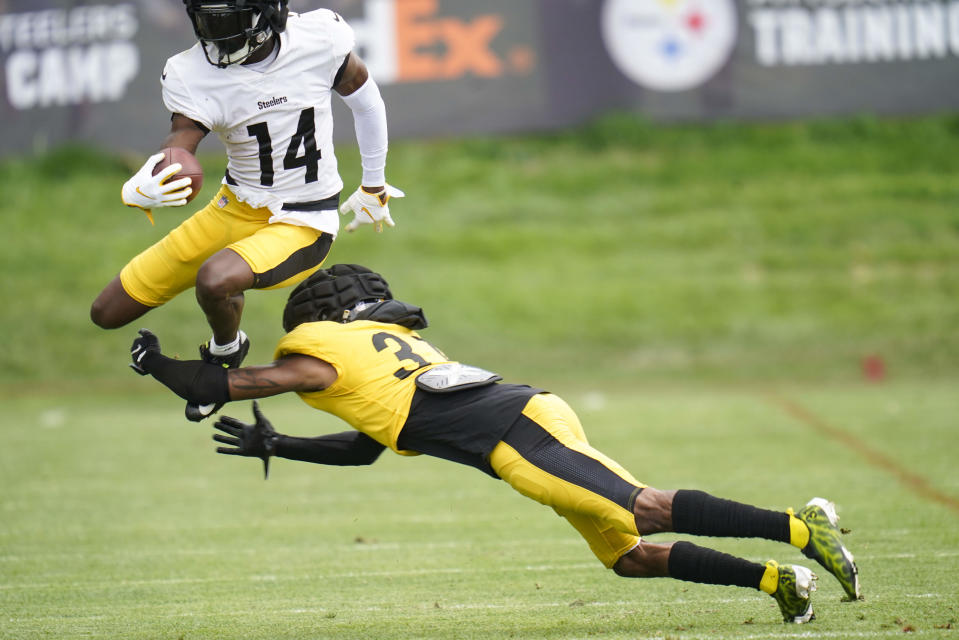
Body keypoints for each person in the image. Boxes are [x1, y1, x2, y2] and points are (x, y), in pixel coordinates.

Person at [128, 264, 862, 624]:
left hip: (514, 435)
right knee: (629, 558)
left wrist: (157, 363)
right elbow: (362, 449)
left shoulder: (321, 352)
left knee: (644, 509)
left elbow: (223, 385)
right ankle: (777, 582)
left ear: (318, 317)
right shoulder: (378, 354)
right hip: (525, 421)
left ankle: (802, 528)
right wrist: (280, 444)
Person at [91, 0, 402, 422]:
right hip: (233, 207)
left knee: (215, 280)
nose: (216, 33)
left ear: (268, 12)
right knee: (107, 313)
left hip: (303, 219)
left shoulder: (319, 39)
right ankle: (225, 348)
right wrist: (158, 171)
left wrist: (374, 183)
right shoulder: (191, 72)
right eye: (207, 19)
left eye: (229, 19)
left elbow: (365, 100)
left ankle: (225, 349)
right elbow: (182, 139)